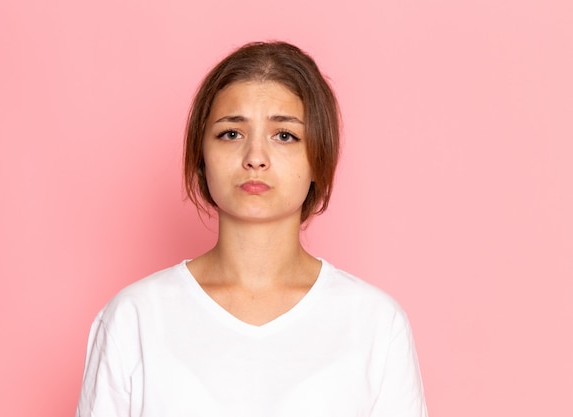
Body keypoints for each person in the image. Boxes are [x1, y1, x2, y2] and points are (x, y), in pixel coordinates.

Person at [76, 41, 428, 417]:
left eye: (284, 135)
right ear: (201, 156)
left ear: (318, 158)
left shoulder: (375, 323)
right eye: (231, 134)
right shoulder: (135, 319)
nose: (255, 158)